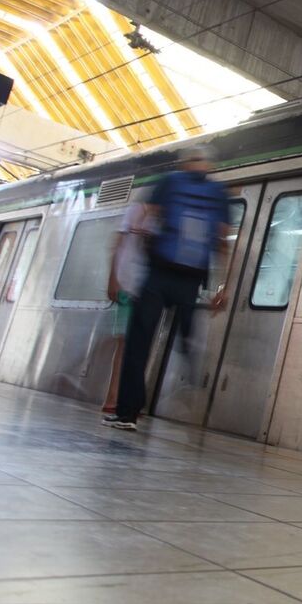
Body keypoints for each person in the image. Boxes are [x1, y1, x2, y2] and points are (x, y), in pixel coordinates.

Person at [103, 145, 230, 431]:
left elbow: (145, 216)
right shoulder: (219, 193)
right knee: (183, 328)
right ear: (209, 166)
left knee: (139, 342)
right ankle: (188, 347)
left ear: (185, 164)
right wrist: (222, 287)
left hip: (159, 274)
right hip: (192, 278)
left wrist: (139, 236)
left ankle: (128, 413)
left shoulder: (170, 182)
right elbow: (223, 242)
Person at [100, 200, 150, 415]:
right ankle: (113, 397)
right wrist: (113, 279)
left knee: (136, 343)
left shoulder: (164, 215)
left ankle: (126, 397)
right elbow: (118, 244)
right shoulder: (138, 209)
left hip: (147, 288)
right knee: (125, 342)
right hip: (128, 286)